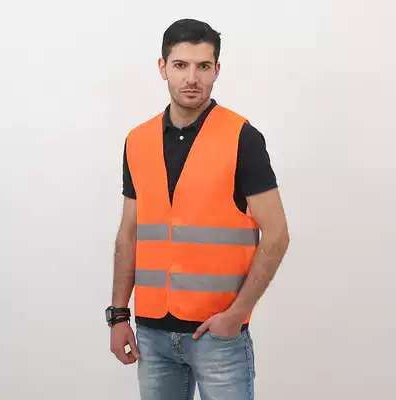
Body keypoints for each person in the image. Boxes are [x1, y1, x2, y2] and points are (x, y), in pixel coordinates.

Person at [106, 18, 290, 400]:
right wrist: (119, 314)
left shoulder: (242, 138)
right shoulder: (137, 141)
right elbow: (129, 233)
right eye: (181, 65)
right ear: (163, 67)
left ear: (216, 70)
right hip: (152, 335)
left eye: (203, 66)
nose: (192, 78)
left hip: (218, 335)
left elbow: (277, 235)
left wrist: (237, 314)